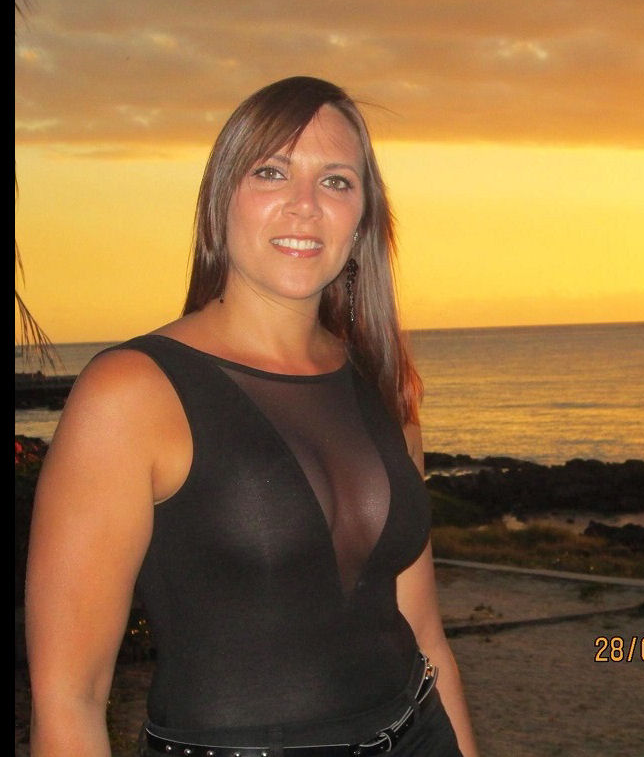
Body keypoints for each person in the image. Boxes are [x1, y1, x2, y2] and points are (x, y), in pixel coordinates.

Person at [25, 76, 479, 757]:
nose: (305, 205)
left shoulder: (384, 388)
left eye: (335, 181)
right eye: (271, 172)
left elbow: (425, 633)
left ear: (361, 220)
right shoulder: (133, 393)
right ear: (220, 202)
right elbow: (69, 696)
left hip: (420, 734)